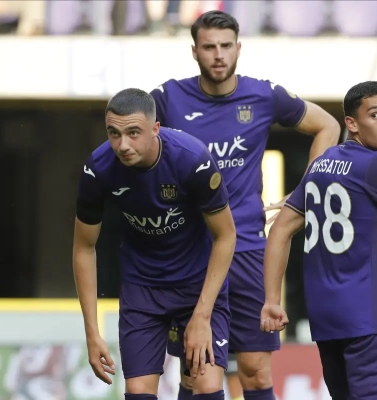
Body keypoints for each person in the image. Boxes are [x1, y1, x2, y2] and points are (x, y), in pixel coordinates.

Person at [149, 10, 341, 400]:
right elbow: (129, 138)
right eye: (209, 47)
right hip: (192, 254)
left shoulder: (263, 95)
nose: (218, 55)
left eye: (225, 46)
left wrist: (307, 192)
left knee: (255, 371)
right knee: (198, 374)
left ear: (238, 48)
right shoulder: (167, 98)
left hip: (248, 250)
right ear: (194, 51)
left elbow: (329, 126)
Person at [260, 81, 377, 400]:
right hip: (369, 321)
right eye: (375, 115)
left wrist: (271, 300)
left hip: (327, 323)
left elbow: (280, 230)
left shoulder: (320, 165)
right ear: (351, 123)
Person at [72, 88, 236, 400]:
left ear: (155, 128)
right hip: (142, 287)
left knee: (205, 384)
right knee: (138, 392)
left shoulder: (193, 159)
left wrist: (202, 316)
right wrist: (92, 333)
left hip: (197, 283)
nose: (123, 145)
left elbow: (226, 235)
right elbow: (83, 247)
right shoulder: (98, 169)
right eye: (114, 133)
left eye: (133, 133)